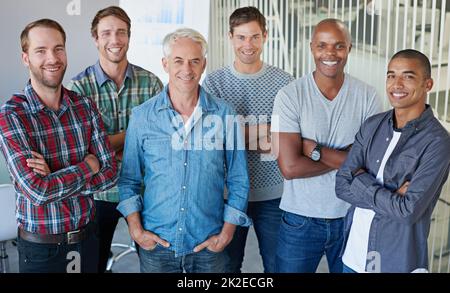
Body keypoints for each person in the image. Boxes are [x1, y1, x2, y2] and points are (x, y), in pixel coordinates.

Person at [117, 28, 251, 273]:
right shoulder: (142, 117)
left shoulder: (224, 114)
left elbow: (239, 178)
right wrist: (136, 231)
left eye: (194, 61)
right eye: (178, 61)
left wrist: (226, 235)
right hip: (156, 246)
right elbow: (129, 180)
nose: (187, 69)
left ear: (204, 65)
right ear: (165, 64)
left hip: (209, 244)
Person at [0, 19, 118, 273]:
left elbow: (109, 174)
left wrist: (54, 177)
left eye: (58, 48)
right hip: (42, 250)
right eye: (41, 51)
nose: (52, 58)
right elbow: (37, 192)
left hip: (87, 241)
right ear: (25, 58)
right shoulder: (12, 114)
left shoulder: (84, 106)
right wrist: (88, 165)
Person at [271, 18, 382, 273]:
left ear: (350, 48)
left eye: (339, 46)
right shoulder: (289, 96)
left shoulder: (368, 96)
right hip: (300, 220)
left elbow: (370, 160)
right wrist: (347, 159)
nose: (330, 53)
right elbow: (289, 167)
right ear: (312, 47)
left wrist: (313, 149)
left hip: (350, 217)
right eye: (322, 45)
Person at [67, 6, 163, 273]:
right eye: (106, 33)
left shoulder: (151, 83)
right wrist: (134, 137)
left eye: (121, 32)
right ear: (95, 38)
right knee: (93, 266)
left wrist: (105, 148)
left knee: (156, 264)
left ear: (129, 37)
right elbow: (81, 151)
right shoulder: (78, 89)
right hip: (97, 194)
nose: (115, 40)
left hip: (146, 192)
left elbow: (159, 142)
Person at [336, 49, 450, 273]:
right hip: (353, 256)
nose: (396, 84)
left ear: (428, 84)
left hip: (396, 261)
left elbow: (408, 212)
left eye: (408, 76)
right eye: (391, 75)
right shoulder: (372, 125)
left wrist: (360, 180)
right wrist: (392, 197)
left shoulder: (438, 142)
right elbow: (341, 185)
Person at [203, 6, 294, 273]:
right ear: (230, 37)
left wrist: (233, 133)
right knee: (226, 268)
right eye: (241, 37)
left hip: (274, 194)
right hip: (228, 193)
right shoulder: (214, 83)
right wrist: (265, 130)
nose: (248, 44)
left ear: (265, 36)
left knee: (278, 267)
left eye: (254, 36)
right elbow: (212, 139)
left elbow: (286, 138)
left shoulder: (284, 82)